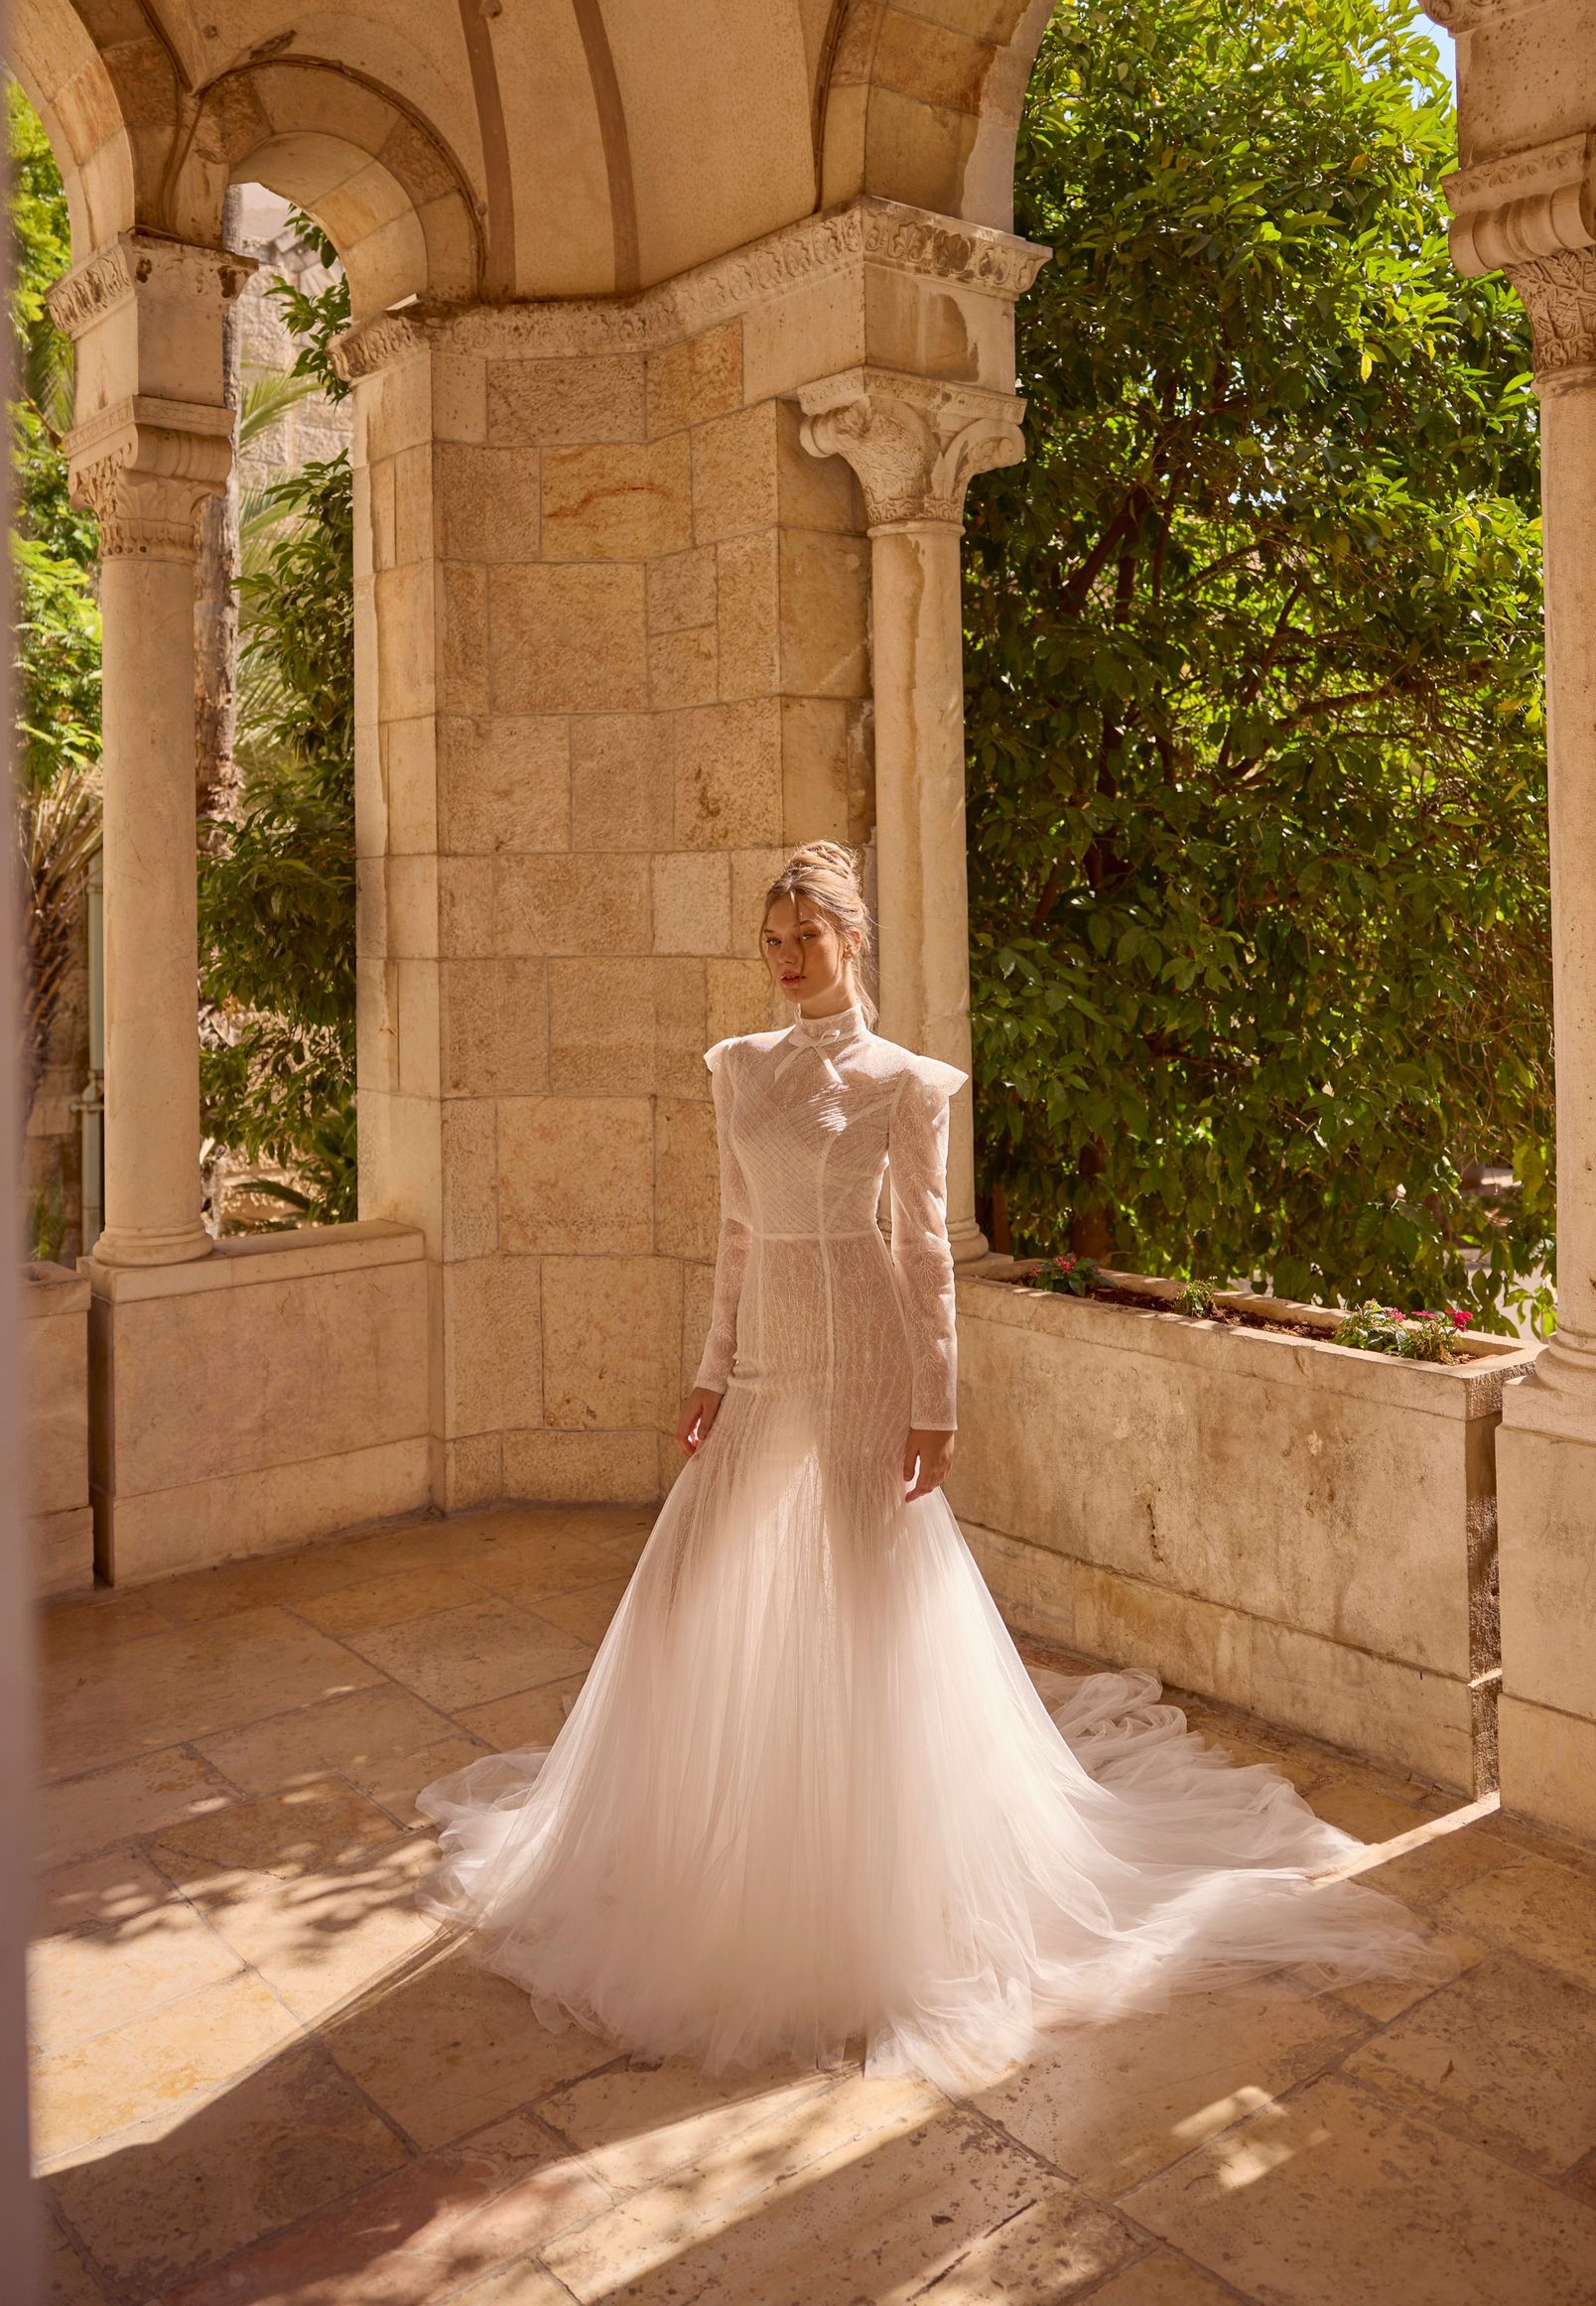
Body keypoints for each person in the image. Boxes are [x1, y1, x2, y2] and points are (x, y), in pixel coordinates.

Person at [416, 841, 1432, 2092]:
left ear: (852, 939)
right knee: (680, 1595)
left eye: (806, 936)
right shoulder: (737, 1068)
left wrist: (934, 1404)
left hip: (864, 1361)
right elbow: (735, 1233)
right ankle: (669, 1845)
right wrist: (710, 1370)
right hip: (765, 1361)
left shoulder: (908, 1083)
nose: (786, 958)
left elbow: (925, 1254)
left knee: (867, 1609)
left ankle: (880, 1899)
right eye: (772, 940)